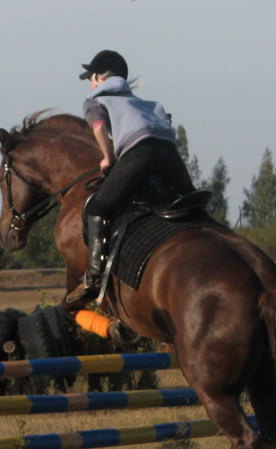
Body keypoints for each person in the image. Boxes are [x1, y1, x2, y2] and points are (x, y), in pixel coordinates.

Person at [66, 50, 195, 307]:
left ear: (101, 77)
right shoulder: (147, 103)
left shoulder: (95, 100)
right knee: (191, 202)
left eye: (91, 78)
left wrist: (107, 158)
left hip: (140, 153)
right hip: (169, 153)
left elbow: (99, 127)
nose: (90, 84)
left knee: (98, 207)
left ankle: (93, 276)